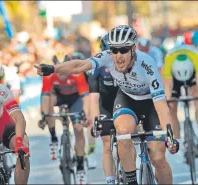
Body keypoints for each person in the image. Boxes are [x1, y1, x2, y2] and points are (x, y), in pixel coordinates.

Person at [35, 25, 179, 185]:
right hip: (127, 99)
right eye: (114, 50)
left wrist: (169, 135)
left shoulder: (147, 65)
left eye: (124, 50)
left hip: (150, 103)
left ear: (133, 49)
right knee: (123, 132)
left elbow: (161, 104)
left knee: (158, 158)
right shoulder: (107, 56)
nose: (118, 56)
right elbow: (80, 65)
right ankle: (131, 181)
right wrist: (54, 68)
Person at [39, 53, 90, 184]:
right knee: (49, 101)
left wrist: (87, 115)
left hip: (75, 99)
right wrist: (44, 115)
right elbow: (44, 97)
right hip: (58, 97)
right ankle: (54, 138)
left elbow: (85, 98)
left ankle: (80, 166)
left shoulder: (77, 74)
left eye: (64, 71)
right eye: (59, 71)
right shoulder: (49, 74)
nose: (61, 74)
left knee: (78, 129)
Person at [88, 33, 119, 184]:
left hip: (125, 103)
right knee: (107, 144)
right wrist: (96, 121)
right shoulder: (97, 67)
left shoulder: (128, 63)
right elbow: (94, 98)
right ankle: (110, 180)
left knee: (131, 137)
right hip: (105, 106)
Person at [163, 44, 198, 146]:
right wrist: (167, 100)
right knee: (171, 107)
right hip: (174, 79)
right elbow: (167, 83)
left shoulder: (196, 57)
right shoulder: (169, 59)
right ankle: (177, 140)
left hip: (193, 75)